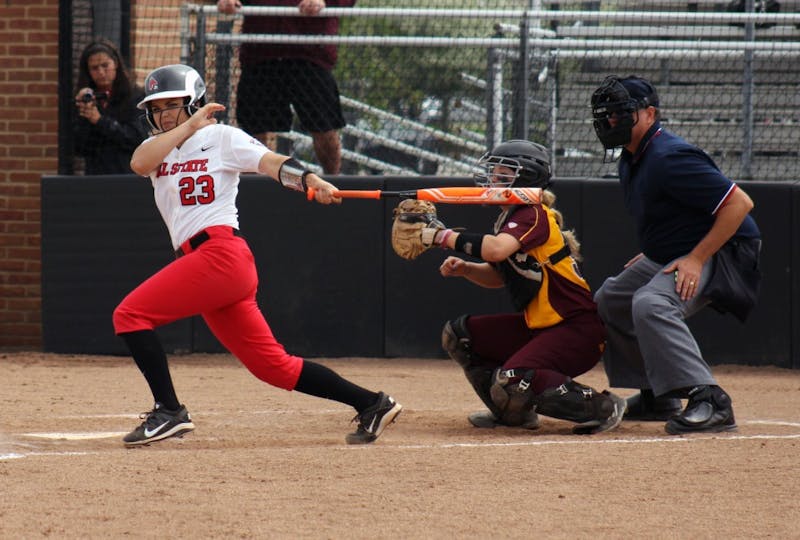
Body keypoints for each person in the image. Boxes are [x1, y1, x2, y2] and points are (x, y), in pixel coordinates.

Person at [115, 63, 401, 446]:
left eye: (172, 105)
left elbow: (271, 163)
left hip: (220, 255)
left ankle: (169, 411)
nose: (163, 114)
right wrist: (188, 124)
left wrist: (309, 179)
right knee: (273, 368)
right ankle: (372, 403)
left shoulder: (221, 137)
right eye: (156, 108)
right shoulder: (157, 149)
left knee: (130, 314)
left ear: (194, 101)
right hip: (203, 264)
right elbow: (139, 163)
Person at [589, 75, 762, 434]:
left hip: (726, 250)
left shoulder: (670, 156)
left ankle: (711, 400)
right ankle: (658, 395)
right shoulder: (632, 157)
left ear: (650, 114)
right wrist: (656, 252)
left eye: (621, 112)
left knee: (652, 303)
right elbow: (677, 215)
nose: (612, 121)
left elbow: (739, 204)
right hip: (681, 249)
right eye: (607, 115)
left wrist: (696, 259)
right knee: (612, 299)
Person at [426, 140, 626, 435]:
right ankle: (512, 412)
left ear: (526, 179)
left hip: (576, 330)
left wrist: (441, 236)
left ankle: (602, 406)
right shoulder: (510, 219)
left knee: (513, 377)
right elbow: (499, 275)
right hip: (542, 329)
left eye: (503, 175)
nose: (492, 180)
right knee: (460, 335)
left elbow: (495, 250)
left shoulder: (533, 214)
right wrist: (466, 269)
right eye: (493, 173)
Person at [216, 0, 353, 174]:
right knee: (253, 130)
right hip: (260, 52)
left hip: (310, 54)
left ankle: (333, 182)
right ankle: (253, 187)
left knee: (324, 127)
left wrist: (322, 2)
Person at [73, 39, 148, 174]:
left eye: (105, 65)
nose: (101, 72)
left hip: (127, 174)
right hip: (96, 175)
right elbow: (78, 147)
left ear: (116, 64)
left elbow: (137, 137)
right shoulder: (85, 99)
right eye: (94, 68)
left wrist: (100, 121)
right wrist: (83, 115)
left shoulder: (134, 96)